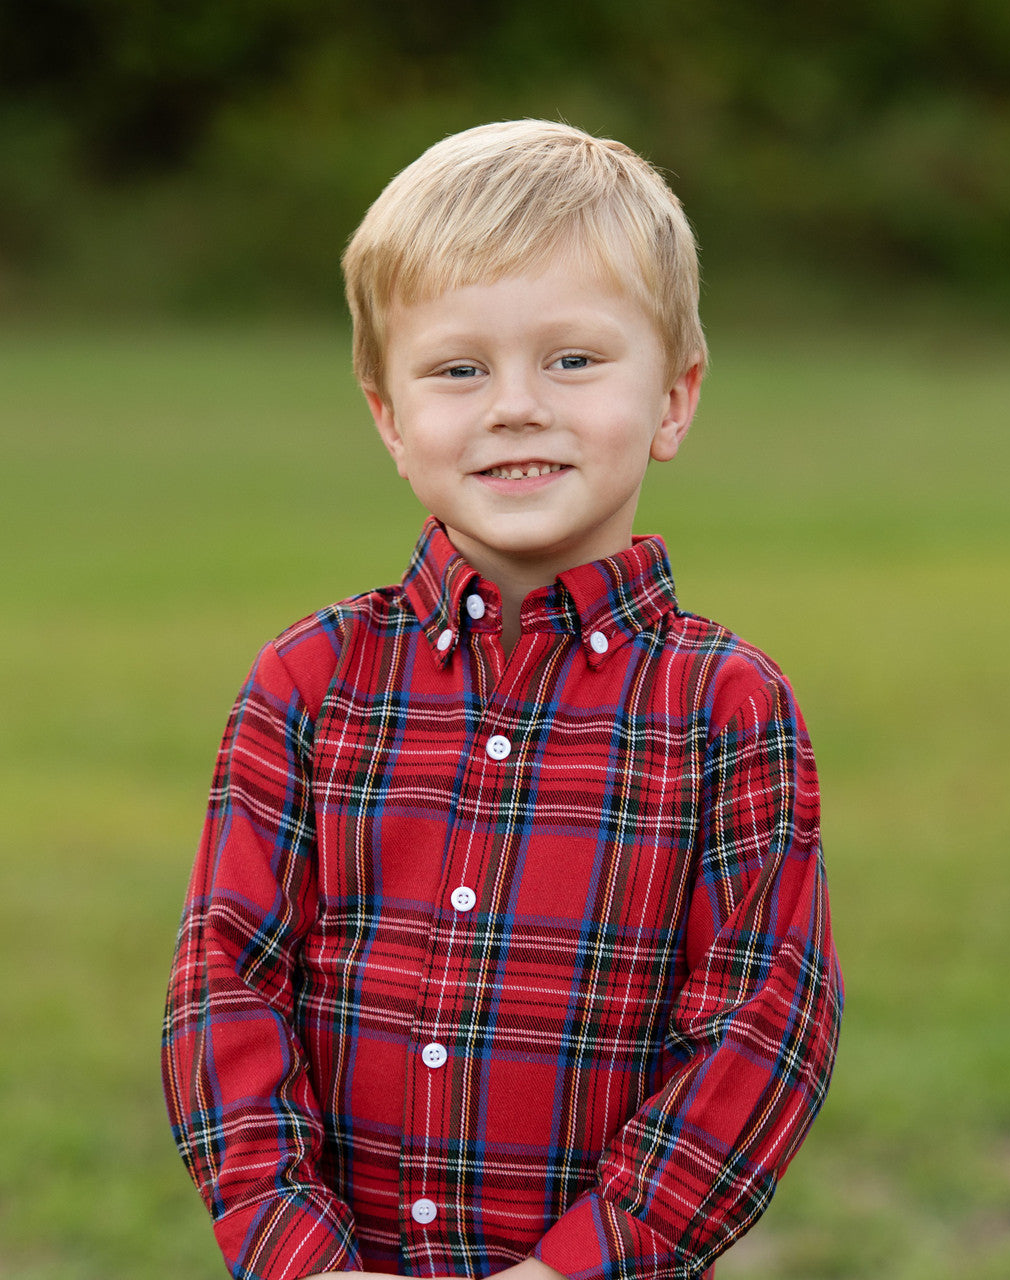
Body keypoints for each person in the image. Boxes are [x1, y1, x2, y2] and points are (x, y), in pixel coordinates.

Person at [162, 119, 842, 1280]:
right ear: (389, 416)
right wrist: (295, 1251)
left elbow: (763, 1028)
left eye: (573, 360)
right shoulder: (307, 683)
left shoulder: (725, 705)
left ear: (674, 399)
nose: (516, 405)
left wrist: (579, 1265)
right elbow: (226, 975)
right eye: (459, 367)